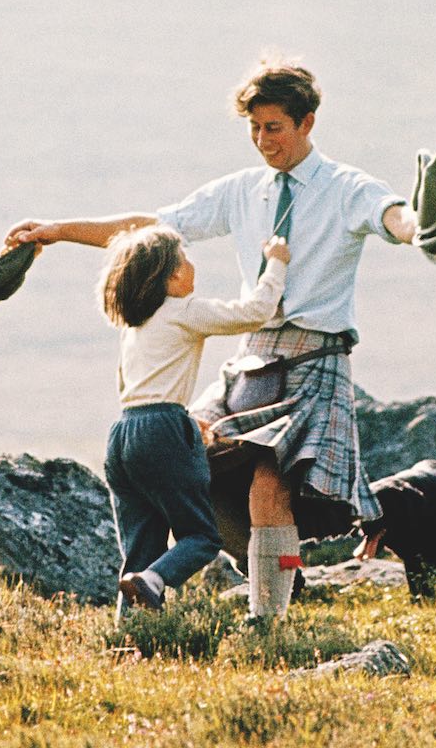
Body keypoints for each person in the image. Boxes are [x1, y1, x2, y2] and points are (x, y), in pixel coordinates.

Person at [6, 56, 418, 619]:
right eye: (254, 128)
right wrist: (57, 232)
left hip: (316, 356)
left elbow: (393, 216)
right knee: (202, 477)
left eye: (273, 127)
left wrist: (423, 228)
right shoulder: (241, 191)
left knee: (268, 489)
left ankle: (267, 622)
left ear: (307, 123)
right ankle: (198, 597)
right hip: (252, 358)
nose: (261, 140)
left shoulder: (348, 186)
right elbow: (148, 229)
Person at [97, 224, 291, 618]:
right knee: (201, 536)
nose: (192, 265)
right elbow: (254, 312)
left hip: (122, 433)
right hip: (162, 427)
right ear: (169, 276)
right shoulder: (183, 310)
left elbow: (130, 384)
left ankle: (129, 634)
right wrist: (276, 264)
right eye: (184, 259)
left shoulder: (134, 326)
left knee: (140, 548)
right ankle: (153, 582)